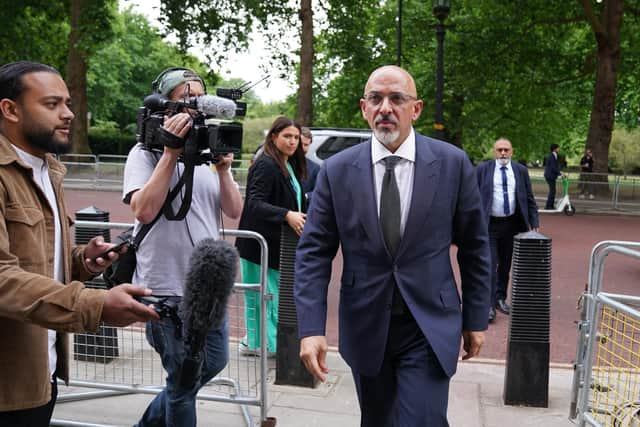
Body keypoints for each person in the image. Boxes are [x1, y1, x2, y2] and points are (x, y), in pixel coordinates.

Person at [294, 65, 491, 426]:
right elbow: (313, 253)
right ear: (364, 108)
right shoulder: (337, 171)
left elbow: (475, 247)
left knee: (422, 420)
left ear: (415, 109)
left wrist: (476, 318)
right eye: (376, 99)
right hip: (367, 325)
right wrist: (311, 328)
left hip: (429, 324)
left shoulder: (452, 164)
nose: (386, 108)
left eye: (397, 99)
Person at [0, 61, 160, 427]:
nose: (69, 114)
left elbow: (34, 258)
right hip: (8, 387)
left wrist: (80, 261)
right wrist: (97, 304)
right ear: (10, 109)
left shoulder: (48, 169)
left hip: (43, 372)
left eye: (68, 103)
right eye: (52, 104)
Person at [122, 67, 243, 427]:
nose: (196, 111)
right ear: (164, 108)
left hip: (208, 288)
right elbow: (143, 210)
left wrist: (223, 170)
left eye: (201, 102)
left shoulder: (208, 156)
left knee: (212, 363)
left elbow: (235, 210)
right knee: (182, 382)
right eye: (186, 101)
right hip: (164, 288)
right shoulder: (144, 154)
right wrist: (170, 153)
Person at [235, 116, 307, 356]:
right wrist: (287, 214)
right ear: (273, 137)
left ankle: (267, 343)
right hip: (259, 246)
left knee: (273, 296)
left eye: (296, 137)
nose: (293, 141)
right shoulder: (266, 164)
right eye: (287, 136)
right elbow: (254, 204)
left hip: (278, 245)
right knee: (261, 297)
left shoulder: (288, 165)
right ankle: (260, 345)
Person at [476, 138, 539, 322]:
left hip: (512, 225)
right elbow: (471, 195)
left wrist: (534, 220)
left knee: (505, 265)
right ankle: (488, 305)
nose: (503, 153)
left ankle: (500, 299)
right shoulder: (483, 169)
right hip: (489, 225)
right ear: (494, 152)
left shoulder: (520, 171)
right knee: (490, 264)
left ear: (512, 151)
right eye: (499, 150)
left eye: (506, 150)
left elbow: (528, 196)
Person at [299, 126, 320, 200]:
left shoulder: (315, 168)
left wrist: (305, 197)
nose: (303, 148)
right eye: (300, 144)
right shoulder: (283, 164)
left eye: (306, 145)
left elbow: (318, 192)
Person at [544, 143, 561, 209]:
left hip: (551, 175)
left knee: (553, 191)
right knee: (552, 191)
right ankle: (548, 206)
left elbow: (555, 167)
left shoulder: (554, 155)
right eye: (558, 148)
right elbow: (553, 167)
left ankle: (550, 205)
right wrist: (560, 173)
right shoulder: (551, 156)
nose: (559, 149)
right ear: (555, 149)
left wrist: (560, 172)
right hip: (550, 175)